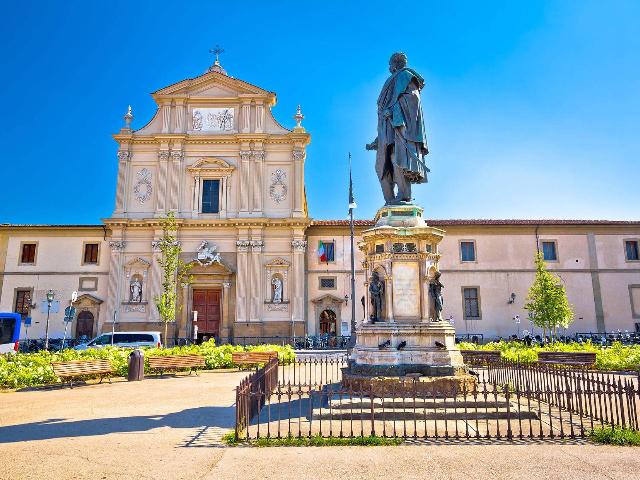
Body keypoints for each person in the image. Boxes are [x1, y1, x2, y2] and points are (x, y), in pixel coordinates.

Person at [366, 52, 429, 205]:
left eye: (390, 64)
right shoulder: (393, 80)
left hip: (400, 130)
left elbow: (413, 99)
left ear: (395, 64)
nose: (389, 67)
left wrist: (394, 112)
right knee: (381, 167)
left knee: (397, 160)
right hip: (386, 132)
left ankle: (404, 196)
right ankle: (390, 200)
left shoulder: (406, 76)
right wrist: (378, 138)